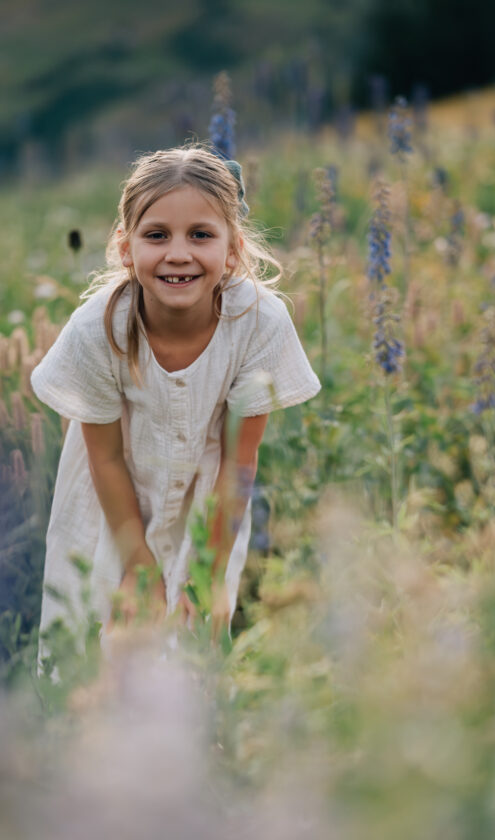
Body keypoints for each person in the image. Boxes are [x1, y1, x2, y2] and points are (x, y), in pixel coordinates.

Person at [31, 145, 320, 674]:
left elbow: (239, 464)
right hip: (109, 512)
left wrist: (202, 577)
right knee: (90, 654)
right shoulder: (99, 330)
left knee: (189, 658)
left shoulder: (259, 323)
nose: (178, 253)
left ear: (232, 248)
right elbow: (106, 459)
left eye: (201, 235)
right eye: (157, 235)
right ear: (125, 246)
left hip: (207, 514)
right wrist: (138, 568)